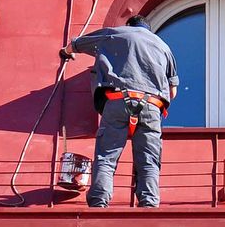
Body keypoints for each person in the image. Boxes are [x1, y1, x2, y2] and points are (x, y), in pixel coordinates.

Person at [60, 15, 178, 207]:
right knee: (148, 161)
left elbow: (78, 44)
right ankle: (149, 204)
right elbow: (172, 91)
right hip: (152, 105)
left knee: (107, 156)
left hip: (117, 100)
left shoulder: (114, 34)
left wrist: (66, 52)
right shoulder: (163, 47)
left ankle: (99, 203)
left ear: (129, 25)